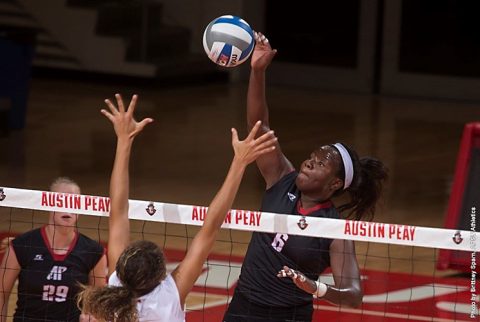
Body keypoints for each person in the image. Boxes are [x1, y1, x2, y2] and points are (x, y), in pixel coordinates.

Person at [223, 32, 389, 322]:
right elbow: (258, 126)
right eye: (312, 157)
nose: (310, 162)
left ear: (335, 184)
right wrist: (258, 71)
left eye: (321, 163)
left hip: (290, 316)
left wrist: (317, 288)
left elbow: (353, 294)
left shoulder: (334, 230)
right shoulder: (281, 178)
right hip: (243, 307)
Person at [78, 94, 277, 322]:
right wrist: (239, 163)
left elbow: (118, 212)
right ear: (161, 276)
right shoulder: (168, 298)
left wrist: (123, 140)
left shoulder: (114, 287)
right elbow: (210, 228)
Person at [0, 177, 107, 322]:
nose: (67, 208)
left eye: (73, 203)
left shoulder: (93, 253)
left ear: (81, 209)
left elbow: (99, 307)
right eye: (61, 201)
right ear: (48, 205)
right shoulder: (22, 246)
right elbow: (1, 295)